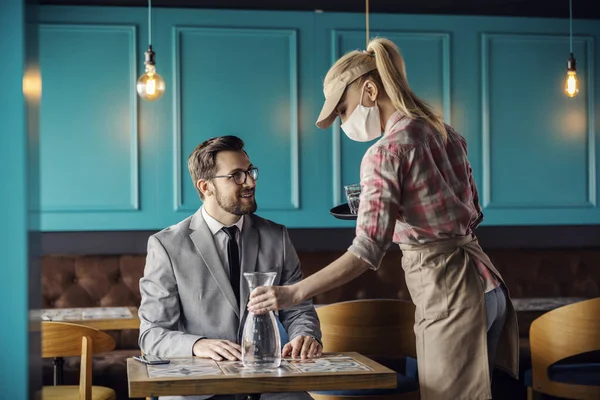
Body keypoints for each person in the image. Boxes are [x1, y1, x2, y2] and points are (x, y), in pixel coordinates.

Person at [247, 38, 519, 399]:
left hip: (448, 291)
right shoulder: (445, 132)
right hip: (488, 284)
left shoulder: (385, 152)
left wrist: (293, 292)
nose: (344, 122)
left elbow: (366, 252)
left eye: (343, 110)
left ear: (370, 91)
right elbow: (472, 211)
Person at [139, 135, 322, 400]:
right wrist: (197, 345)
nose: (250, 182)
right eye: (236, 175)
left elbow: (299, 309)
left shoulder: (277, 237)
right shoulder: (166, 245)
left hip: (269, 384)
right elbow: (152, 335)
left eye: (250, 172)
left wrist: (305, 335)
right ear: (206, 187)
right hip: (197, 389)